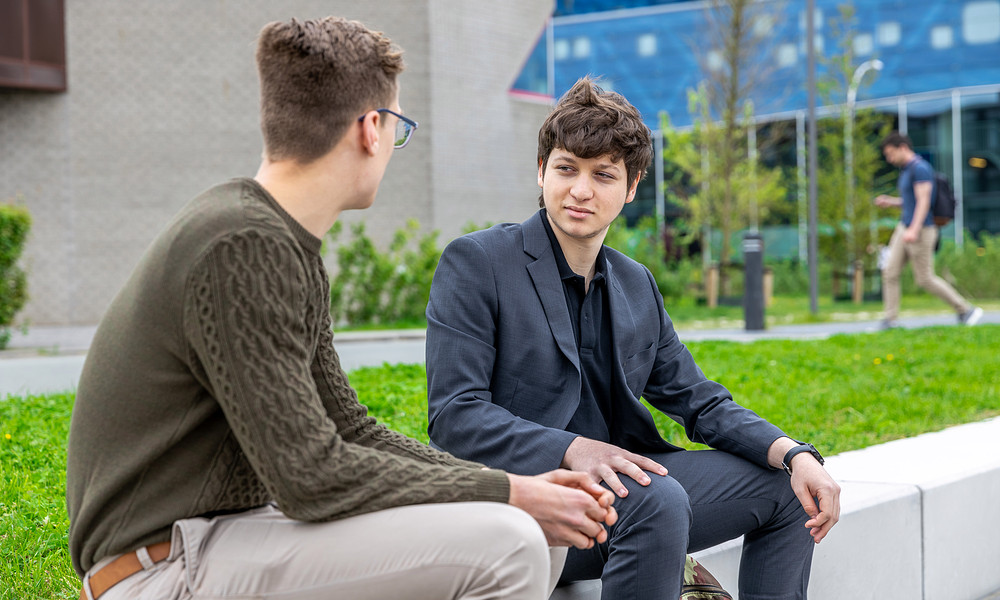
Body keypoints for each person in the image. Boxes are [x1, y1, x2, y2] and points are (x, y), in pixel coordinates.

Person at [66, 17, 618, 600]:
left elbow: (347, 425)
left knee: (538, 530)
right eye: (397, 126)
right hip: (163, 566)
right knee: (511, 542)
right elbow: (312, 477)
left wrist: (504, 484)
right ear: (369, 130)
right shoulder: (243, 246)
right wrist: (509, 493)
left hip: (227, 536)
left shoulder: (277, 240)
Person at [425, 77, 841, 600]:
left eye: (603, 175)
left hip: (628, 492)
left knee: (788, 490)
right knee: (657, 498)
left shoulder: (635, 282)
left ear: (632, 186)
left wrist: (793, 453)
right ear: (541, 170)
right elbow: (454, 413)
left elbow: (697, 399)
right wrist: (572, 449)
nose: (580, 190)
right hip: (526, 499)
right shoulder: (478, 262)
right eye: (565, 169)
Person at [876, 131, 983, 329]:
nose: (889, 159)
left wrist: (914, 230)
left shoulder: (921, 169)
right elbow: (911, 201)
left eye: (891, 154)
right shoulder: (907, 170)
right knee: (890, 271)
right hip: (904, 226)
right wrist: (891, 202)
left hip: (921, 229)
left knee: (924, 278)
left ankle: (965, 310)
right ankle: (890, 320)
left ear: (903, 148)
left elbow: (924, 201)